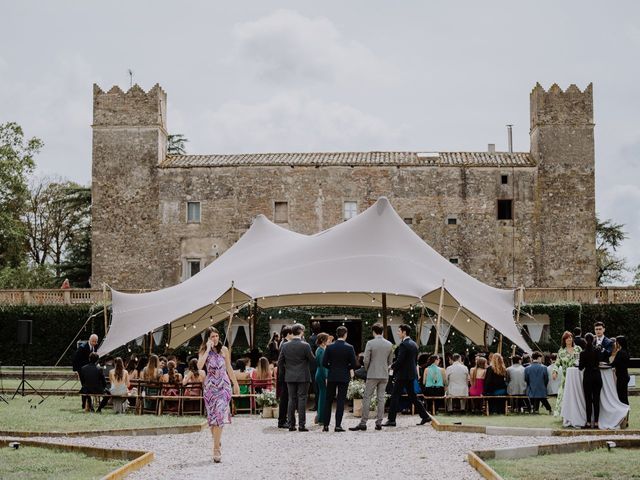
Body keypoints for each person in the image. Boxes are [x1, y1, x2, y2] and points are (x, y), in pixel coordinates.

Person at [198, 326, 240, 463]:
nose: (215, 339)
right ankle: (217, 440)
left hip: (223, 387)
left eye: (216, 336)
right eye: (212, 337)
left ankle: (216, 449)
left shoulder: (224, 350)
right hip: (210, 388)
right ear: (208, 339)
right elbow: (199, 366)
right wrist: (208, 349)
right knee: (212, 418)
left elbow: (229, 367)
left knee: (220, 416)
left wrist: (236, 383)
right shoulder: (204, 350)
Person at [383, 324, 431, 427]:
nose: (397, 333)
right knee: (413, 396)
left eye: (399, 331)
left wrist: (392, 366)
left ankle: (391, 420)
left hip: (403, 375)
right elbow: (414, 361)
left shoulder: (403, 345)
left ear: (404, 332)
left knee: (395, 396)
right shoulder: (414, 344)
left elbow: (400, 360)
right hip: (411, 374)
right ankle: (425, 416)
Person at [350, 323, 393, 431]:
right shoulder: (389, 344)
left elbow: (365, 360)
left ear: (373, 332)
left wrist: (368, 369)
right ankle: (379, 422)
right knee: (381, 398)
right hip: (384, 374)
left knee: (367, 397)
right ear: (382, 331)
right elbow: (390, 361)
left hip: (372, 374)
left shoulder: (370, 343)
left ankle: (363, 422)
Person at [278, 323, 315, 432]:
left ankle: (291, 425)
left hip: (289, 376)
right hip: (303, 376)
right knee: (302, 399)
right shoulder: (305, 345)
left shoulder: (285, 345)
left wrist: (287, 371)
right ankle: (302, 425)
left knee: (291, 400)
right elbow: (313, 360)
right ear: (301, 331)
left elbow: (280, 362)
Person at [322, 325, 357, 432]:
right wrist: (347, 368)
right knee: (341, 401)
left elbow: (324, 363)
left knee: (328, 400)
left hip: (332, 375)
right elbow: (354, 364)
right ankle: (337, 425)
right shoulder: (349, 347)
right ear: (345, 334)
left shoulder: (329, 347)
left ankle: (326, 425)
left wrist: (331, 367)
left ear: (337, 335)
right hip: (343, 376)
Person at [554, 331, 582, 416]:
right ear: (564, 340)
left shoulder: (578, 349)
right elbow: (557, 363)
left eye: (570, 337)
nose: (569, 339)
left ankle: (578, 413)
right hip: (566, 377)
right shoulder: (561, 351)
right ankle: (564, 414)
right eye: (567, 337)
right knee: (564, 396)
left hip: (577, 376)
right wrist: (554, 371)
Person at [579, 333, 602, 429]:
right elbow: (600, 362)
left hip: (588, 376)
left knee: (588, 400)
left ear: (585, 340)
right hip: (597, 375)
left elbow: (580, 367)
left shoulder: (583, 353)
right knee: (596, 400)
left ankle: (588, 422)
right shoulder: (597, 350)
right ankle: (596, 422)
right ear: (593, 340)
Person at [73, 334, 99, 410]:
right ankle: (86, 404)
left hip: (90, 370)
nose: (94, 343)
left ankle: (86, 404)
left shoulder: (95, 347)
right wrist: (76, 370)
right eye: (93, 341)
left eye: (95, 341)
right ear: (89, 340)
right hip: (82, 370)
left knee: (87, 387)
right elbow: (75, 358)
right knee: (85, 387)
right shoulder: (82, 347)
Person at [276, 326, 293, 428]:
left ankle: (283, 419)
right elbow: (282, 362)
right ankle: (282, 421)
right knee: (284, 398)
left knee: (285, 398)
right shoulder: (285, 344)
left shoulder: (283, 343)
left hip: (283, 375)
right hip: (284, 375)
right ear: (288, 334)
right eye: (292, 333)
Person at [314, 333, 330, 425]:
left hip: (319, 373)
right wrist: (326, 377)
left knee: (322, 395)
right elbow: (323, 365)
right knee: (323, 396)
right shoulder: (321, 351)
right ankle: (321, 418)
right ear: (323, 341)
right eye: (327, 339)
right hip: (321, 374)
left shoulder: (320, 349)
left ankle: (320, 416)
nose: (328, 341)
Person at [610, 335, 630, 406]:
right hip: (625, 375)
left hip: (622, 377)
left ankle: (624, 413)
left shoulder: (620, 352)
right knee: (624, 396)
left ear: (618, 343)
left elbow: (613, 364)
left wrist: (605, 365)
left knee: (622, 397)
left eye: (616, 342)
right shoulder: (626, 351)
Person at [308, 321, 321, 412]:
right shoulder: (321, 337)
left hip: (313, 365)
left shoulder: (312, 338)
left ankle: (317, 405)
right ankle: (320, 404)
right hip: (321, 363)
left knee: (316, 386)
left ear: (312, 329)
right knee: (321, 386)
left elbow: (310, 351)